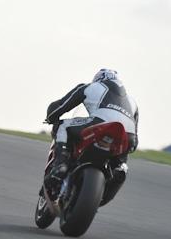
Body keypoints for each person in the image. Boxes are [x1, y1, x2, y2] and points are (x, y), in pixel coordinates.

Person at [44, 69, 139, 202]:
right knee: (121, 163)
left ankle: (61, 164)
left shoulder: (90, 87)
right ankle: (118, 169)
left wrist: (51, 117)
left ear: (98, 79)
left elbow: (61, 105)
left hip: (100, 122)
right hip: (128, 136)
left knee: (63, 125)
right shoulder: (132, 101)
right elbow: (135, 134)